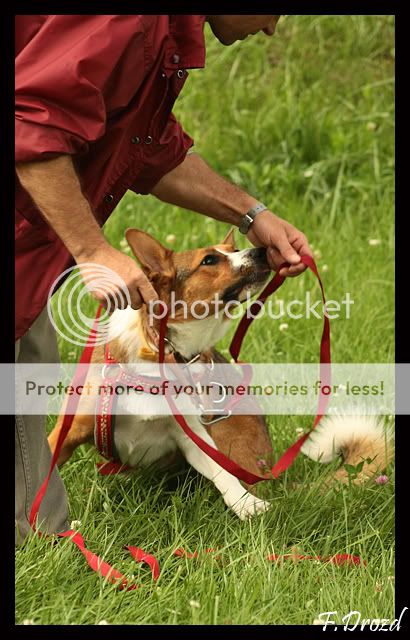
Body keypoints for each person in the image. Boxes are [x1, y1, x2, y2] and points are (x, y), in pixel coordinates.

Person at [15, 15, 312, 542]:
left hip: (30, 243)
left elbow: (151, 149)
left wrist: (252, 214)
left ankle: (41, 533)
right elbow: (30, 126)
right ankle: (40, 535)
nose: (271, 28)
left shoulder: (161, 36)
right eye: (276, 11)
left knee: (27, 371)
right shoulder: (128, 19)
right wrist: (92, 249)